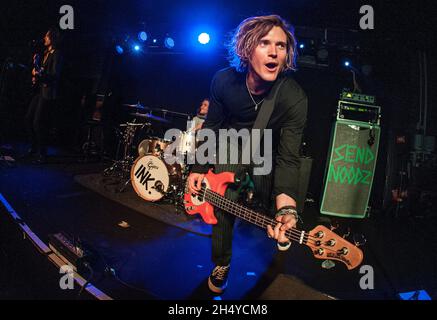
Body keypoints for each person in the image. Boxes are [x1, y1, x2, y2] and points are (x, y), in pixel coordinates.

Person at [187, 15, 307, 294]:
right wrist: (198, 168)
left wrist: (286, 209)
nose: (275, 52)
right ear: (247, 47)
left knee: (270, 207)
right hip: (231, 142)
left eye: (281, 45)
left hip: (267, 146)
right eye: (265, 43)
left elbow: (289, 158)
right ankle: (222, 263)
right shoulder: (224, 81)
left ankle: (276, 217)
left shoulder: (293, 96)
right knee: (223, 202)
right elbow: (213, 127)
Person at [25, 28, 63, 163]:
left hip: (47, 92)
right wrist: (35, 69)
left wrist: (40, 74)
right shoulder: (46, 53)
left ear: (52, 38)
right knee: (29, 119)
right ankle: (34, 148)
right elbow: (41, 72)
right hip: (39, 91)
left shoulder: (57, 54)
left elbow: (54, 75)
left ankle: (42, 153)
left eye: (47, 36)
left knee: (38, 122)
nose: (45, 39)